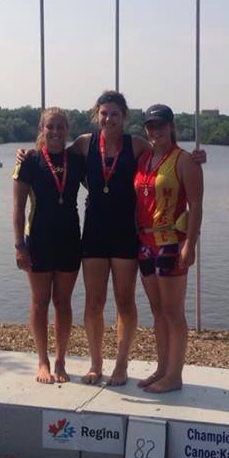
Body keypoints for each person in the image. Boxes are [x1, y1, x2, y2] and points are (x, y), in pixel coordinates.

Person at [16, 90, 205, 386]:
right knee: (94, 301)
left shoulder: (137, 145)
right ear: (97, 115)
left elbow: (165, 152)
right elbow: (53, 154)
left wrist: (194, 156)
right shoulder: (84, 144)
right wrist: (26, 153)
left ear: (124, 116)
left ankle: (121, 365)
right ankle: (95, 364)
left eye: (115, 114)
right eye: (104, 113)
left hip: (126, 233)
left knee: (125, 301)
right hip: (93, 232)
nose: (109, 118)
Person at [12, 107, 86, 384]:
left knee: (63, 302)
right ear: (41, 130)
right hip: (38, 241)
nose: (55, 132)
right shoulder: (29, 160)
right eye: (50, 127)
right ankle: (42, 361)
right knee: (40, 302)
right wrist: (19, 245)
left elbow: (108, 175)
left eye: (60, 127)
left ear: (67, 130)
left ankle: (60, 360)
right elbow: (18, 208)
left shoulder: (76, 160)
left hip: (69, 239)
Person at [134, 104, 203, 393]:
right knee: (157, 310)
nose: (155, 131)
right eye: (150, 126)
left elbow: (196, 205)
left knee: (173, 311)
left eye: (161, 125)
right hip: (144, 243)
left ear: (171, 126)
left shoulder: (184, 160)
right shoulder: (144, 158)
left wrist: (191, 244)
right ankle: (162, 369)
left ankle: (175, 375)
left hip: (171, 242)